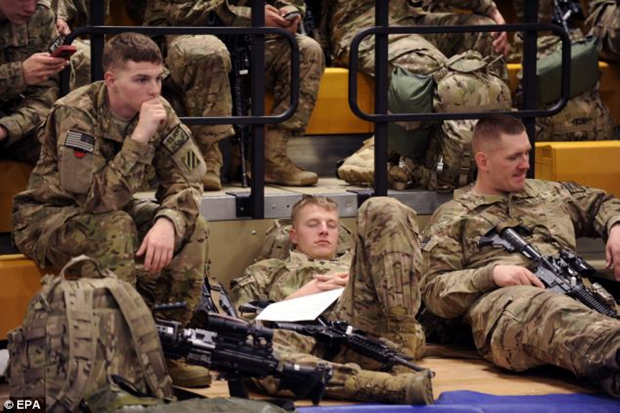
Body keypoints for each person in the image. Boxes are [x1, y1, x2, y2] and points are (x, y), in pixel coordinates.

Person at [11, 32, 211, 388]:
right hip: (48, 217)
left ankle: (166, 349)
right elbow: (92, 199)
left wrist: (168, 221)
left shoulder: (160, 110)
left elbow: (189, 181)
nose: (154, 90)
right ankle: (120, 362)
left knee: (193, 226)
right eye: (141, 80)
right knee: (115, 225)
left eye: (158, 78)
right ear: (111, 80)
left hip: (111, 211)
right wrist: (139, 139)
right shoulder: (77, 113)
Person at [421, 115, 620, 397]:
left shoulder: (549, 193)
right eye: (514, 157)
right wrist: (490, 275)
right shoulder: (453, 217)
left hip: (581, 299)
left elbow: (600, 202)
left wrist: (616, 227)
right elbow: (432, 291)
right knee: (548, 308)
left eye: (527, 153)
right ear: (484, 161)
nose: (525, 163)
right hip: (513, 309)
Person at [230, 195, 433, 404]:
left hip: (364, 329)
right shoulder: (266, 271)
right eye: (313, 224)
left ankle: (401, 353)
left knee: (382, 207)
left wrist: (354, 287)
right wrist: (295, 299)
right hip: (303, 341)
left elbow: (412, 313)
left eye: (332, 225)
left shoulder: (361, 267)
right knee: (252, 353)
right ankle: (390, 386)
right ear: (294, 236)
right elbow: (237, 326)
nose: (324, 230)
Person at [143, 0, 323, 190]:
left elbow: (291, 3)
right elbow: (182, 12)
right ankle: (206, 158)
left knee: (306, 50)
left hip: (246, 36)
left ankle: (270, 156)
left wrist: (288, 12)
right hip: (182, 33)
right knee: (208, 51)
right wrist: (250, 16)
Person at [332, 0, 511, 188]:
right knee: (439, 73)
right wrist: (489, 8)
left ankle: (501, 148)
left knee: (484, 30)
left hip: (408, 18)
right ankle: (385, 156)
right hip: (364, 23)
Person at [0, 0, 67, 165]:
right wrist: (19, 74)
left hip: (19, 124)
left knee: (71, 148)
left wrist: (8, 128)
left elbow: (47, 94)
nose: (30, 8)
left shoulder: (40, 16)